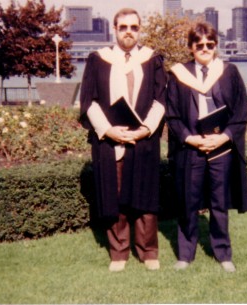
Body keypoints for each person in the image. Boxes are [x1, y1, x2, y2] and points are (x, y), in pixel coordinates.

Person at [79, 8, 167, 272]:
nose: (129, 31)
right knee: (114, 197)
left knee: (146, 197)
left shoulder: (152, 59)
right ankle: (119, 252)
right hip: (111, 141)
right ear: (115, 29)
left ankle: (148, 251)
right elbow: (88, 102)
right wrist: (106, 130)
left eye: (134, 27)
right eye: (123, 27)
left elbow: (161, 100)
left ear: (139, 30)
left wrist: (146, 129)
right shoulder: (98, 60)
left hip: (143, 139)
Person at [166, 22, 247, 272]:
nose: (205, 49)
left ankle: (223, 254)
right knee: (187, 202)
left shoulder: (229, 72)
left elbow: (240, 111)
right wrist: (189, 138)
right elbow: (172, 116)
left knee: (219, 201)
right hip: (191, 148)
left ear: (216, 46)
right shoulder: (179, 74)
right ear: (191, 47)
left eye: (210, 44)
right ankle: (185, 254)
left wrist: (224, 137)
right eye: (199, 45)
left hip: (221, 148)